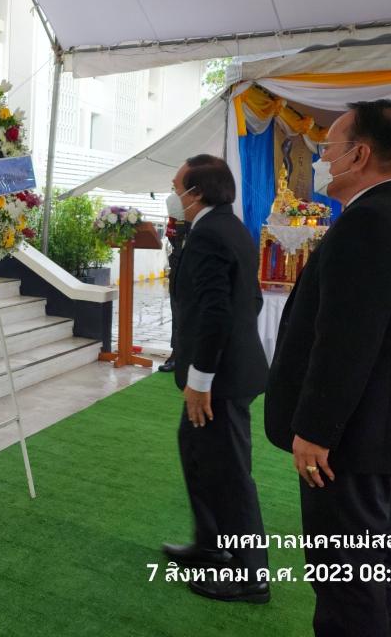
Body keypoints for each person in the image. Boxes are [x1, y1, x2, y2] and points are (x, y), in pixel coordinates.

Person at [264, 100, 391, 637]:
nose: (320, 160)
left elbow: (347, 339)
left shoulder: (370, 222)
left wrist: (316, 429)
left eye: (327, 149)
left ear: (358, 155)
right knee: (371, 567)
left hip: (349, 441)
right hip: (374, 432)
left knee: (345, 580)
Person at [161, 154, 270, 603]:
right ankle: (210, 545)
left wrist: (200, 379)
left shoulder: (211, 234)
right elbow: (250, 300)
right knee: (197, 453)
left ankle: (251, 576)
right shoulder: (227, 226)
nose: (173, 196)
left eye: (176, 187)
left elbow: (216, 313)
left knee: (228, 471)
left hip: (219, 378)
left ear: (197, 192)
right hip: (228, 367)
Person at [158, 215, 191, 373]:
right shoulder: (177, 212)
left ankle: (194, 358)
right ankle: (176, 355)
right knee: (177, 314)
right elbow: (171, 237)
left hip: (199, 267)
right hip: (178, 265)